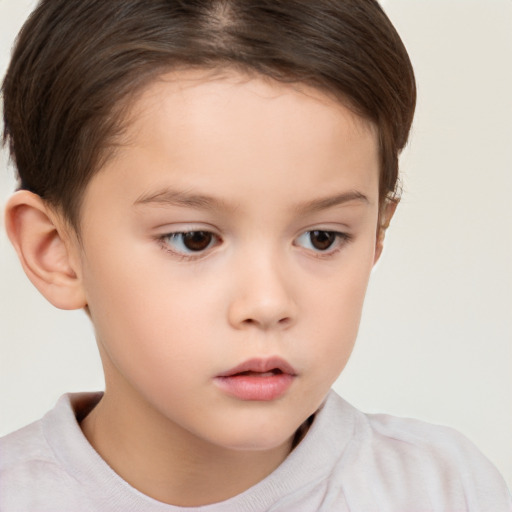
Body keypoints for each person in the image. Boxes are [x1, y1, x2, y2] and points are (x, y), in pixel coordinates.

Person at [0, 0, 510, 510]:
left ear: (377, 232)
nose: (268, 304)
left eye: (322, 238)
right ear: (56, 250)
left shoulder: (445, 491)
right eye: (194, 238)